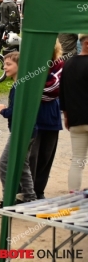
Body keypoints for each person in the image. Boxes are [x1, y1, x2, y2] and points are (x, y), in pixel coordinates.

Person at [0, 52, 36, 216]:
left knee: (5, 164)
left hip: (22, 131)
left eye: (8, 64)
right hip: (27, 131)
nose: (4, 67)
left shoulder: (20, 85)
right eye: (4, 64)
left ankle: (9, 201)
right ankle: (28, 198)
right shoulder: (21, 84)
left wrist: (3, 110)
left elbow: (16, 112)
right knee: (22, 165)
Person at [29, 41, 63, 199]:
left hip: (51, 116)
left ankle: (39, 191)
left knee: (46, 156)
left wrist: (36, 90)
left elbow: (54, 88)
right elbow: (26, 87)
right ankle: (26, 191)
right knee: (31, 157)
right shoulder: (30, 64)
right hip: (32, 116)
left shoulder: (59, 66)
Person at [60, 34, 88, 193]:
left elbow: (62, 92)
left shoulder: (68, 64)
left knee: (78, 160)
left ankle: (73, 193)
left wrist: (66, 115)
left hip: (76, 120)